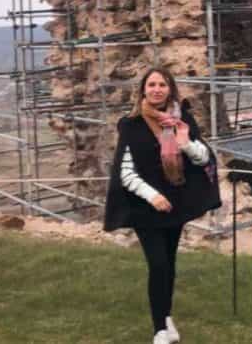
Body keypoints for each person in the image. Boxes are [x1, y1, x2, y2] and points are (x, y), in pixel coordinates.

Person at [104, 67, 220, 344]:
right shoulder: (130, 125)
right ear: (143, 89)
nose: (157, 89)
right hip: (146, 207)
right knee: (157, 265)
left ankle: (166, 316)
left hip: (174, 205)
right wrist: (152, 196)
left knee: (169, 263)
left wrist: (186, 144)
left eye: (162, 85)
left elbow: (204, 159)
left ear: (170, 89)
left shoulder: (183, 120)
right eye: (152, 84)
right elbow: (126, 172)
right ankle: (159, 330)